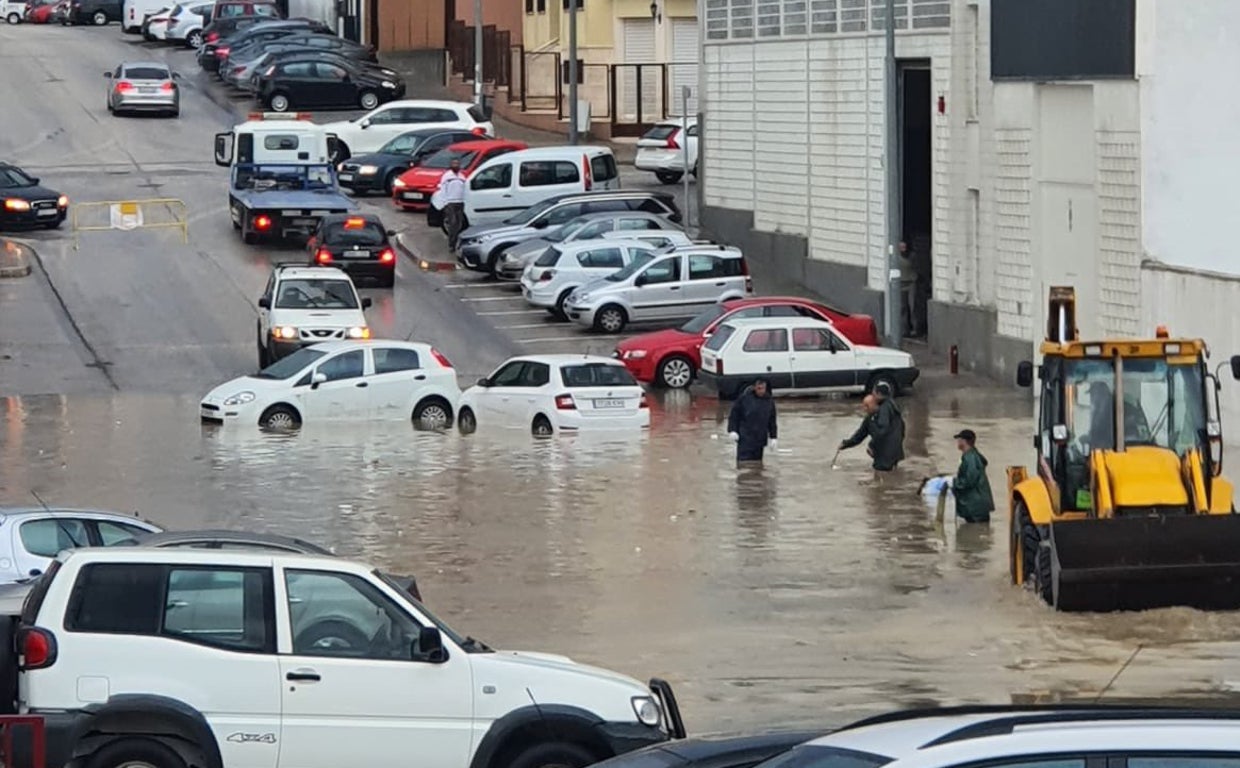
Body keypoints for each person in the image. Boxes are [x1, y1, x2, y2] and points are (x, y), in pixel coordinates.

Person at [839, 384, 905, 471]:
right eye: (864, 406)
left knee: (882, 478)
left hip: (886, 454)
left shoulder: (884, 410)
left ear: (876, 405)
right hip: (891, 452)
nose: (865, 409)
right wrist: (845, 444)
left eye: (867, 406)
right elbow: (860, 435)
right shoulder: (873, 417)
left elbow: (882, 431)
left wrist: (872, 445)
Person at [727, 378, 778, 466]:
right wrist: (732, 430)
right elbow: (734, 415)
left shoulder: (769, 401)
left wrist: (773, 437)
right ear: (754, 387)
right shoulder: (744, 399)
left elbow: (772, 421)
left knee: (757, 466)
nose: (761, 391)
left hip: (760, 441)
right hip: (745, 439)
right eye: (759, 388)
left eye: (763, 388)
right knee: (743, 465)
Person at [951, 429, 995, 523]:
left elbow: (969, 480)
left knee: (974, 533)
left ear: (964, 441)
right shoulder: (971, 456)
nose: (958, 442)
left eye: (959, 439)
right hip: (976, 507)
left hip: (975, 507)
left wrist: (953, 483)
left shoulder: (970, 458)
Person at [436, 158, 467, 252]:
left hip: (460, 202)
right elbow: (443, 190)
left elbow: (465, 189)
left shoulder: (462, 176)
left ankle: (457, 242)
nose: (456, 165)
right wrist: (445, 203)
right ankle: (451, 245)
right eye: (454, 163)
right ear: (451, 165)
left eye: (457, 163)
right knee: (452, 224)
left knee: (459, 224)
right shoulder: (447, 176)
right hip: (450, 203)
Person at [898, 240, 917, 337]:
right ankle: (905, 330)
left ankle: (915, 328)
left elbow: (917, 267)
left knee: (912, 306)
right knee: (903, 307)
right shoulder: (896, 258)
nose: (903, 250)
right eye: (901, 248)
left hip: (911, 283)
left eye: (904, 247)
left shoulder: (912, 256)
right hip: (901, 283)